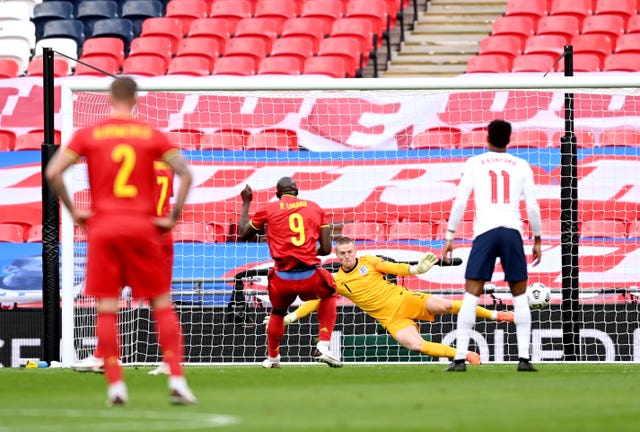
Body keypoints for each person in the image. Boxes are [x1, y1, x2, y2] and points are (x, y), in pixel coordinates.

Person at [45, 76, 196, 405]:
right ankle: (177, 381)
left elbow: (53, 172)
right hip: (143, 227)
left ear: (110, 100)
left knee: (107, 308)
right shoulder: (152, 135)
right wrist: (172, 217)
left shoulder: (89, 134)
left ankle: (115, 386)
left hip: (104, 227)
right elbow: (185, 173)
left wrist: (75, 212)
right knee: (160, 303)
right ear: (137, 100)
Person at [270, 236, 515, 365]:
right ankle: (465, 355)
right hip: (392, 319)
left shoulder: (370, 261)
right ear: (337, 255)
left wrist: (415, 269)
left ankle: (498, 315)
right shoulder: (336, 281)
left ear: (355, 251)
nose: (346, 256)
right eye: (342, 253)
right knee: (415, 345)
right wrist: (291, 316)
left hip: (405, 299)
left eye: (349, 252)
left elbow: (394, 267)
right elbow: (316, 302)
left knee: (446, 305)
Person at [441, 119, 542, 372]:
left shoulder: (475, 163)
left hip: (485, 233)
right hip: (512, 231)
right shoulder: (521, 165)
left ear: (487, 137)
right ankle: (524, 359)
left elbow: (461, 201)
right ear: (509, 139)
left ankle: (460, 358)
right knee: (519, 296)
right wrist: (537, 238)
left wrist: (450, 234)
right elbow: (532, 206)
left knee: (471, 295)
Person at [72, 161, 174, 377]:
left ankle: (105, 356)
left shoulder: (135, 168)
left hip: (136, 232)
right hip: (161, 234)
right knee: (160, 301)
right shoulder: (166, 167)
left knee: (108, 296)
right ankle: (170, 360)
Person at [238, 176, 342, 368]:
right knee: (329, 293)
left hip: (282, 279)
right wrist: (307, 253)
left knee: (277, 312)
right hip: (309, 276)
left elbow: (243, 234)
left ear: (278, 194)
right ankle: (324, 345)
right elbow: (327, 249)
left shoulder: (268, 209)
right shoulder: (316, 208)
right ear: (297, 192)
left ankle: (273, 357)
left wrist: (246, 202)